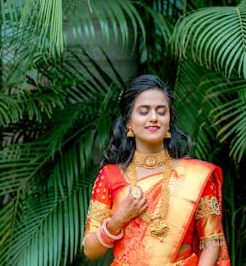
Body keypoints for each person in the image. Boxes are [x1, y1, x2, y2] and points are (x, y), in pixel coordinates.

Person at [83, 74, 230, 265]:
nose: (154, 118)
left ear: (169, 120)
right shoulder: (111, 176)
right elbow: (90, 250)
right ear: (129, 122)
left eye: (161, 111)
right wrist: (118, 220)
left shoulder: (196, 176)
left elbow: (211, 242)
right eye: (144, 111)